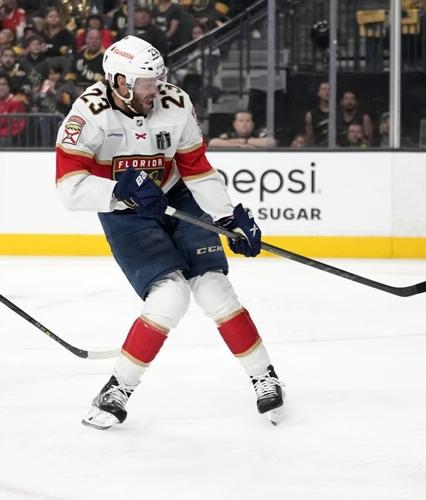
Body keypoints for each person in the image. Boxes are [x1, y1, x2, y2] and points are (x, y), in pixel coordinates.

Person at [54, 36, 284, 430]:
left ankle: (265, 376)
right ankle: (117, 388)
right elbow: (68, 187)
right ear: (120, 82)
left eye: (158, 80)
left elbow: (196, 167)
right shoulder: (88, 115)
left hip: (177, 194)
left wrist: (228, 218)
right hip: (124, 211)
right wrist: (117, 190)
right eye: (147, 83)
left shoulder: (175, 103)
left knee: (213, 286)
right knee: (170, 296)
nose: (155, 89)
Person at [208, 110, 275, 149]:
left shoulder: (258, 134)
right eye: (241, 121)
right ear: (234, 124)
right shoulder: (229, 135)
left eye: (248, 121)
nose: (244, 124)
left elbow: (271, 142)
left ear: (253, 124)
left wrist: (245, 141)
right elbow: (213, 142)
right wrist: (241, 146)